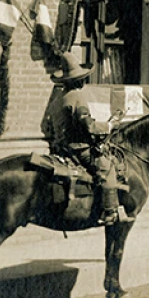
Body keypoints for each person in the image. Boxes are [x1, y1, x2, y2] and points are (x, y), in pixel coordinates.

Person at [41, 52, 131, 224]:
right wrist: (110, 125)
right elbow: (89, 126)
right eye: (82, 78)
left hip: (60, 148)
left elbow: (47, 127)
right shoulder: (78, 96)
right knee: (107, 167)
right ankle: (109, 212)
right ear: (78, 80)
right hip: (78, 149)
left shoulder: (57, 98)